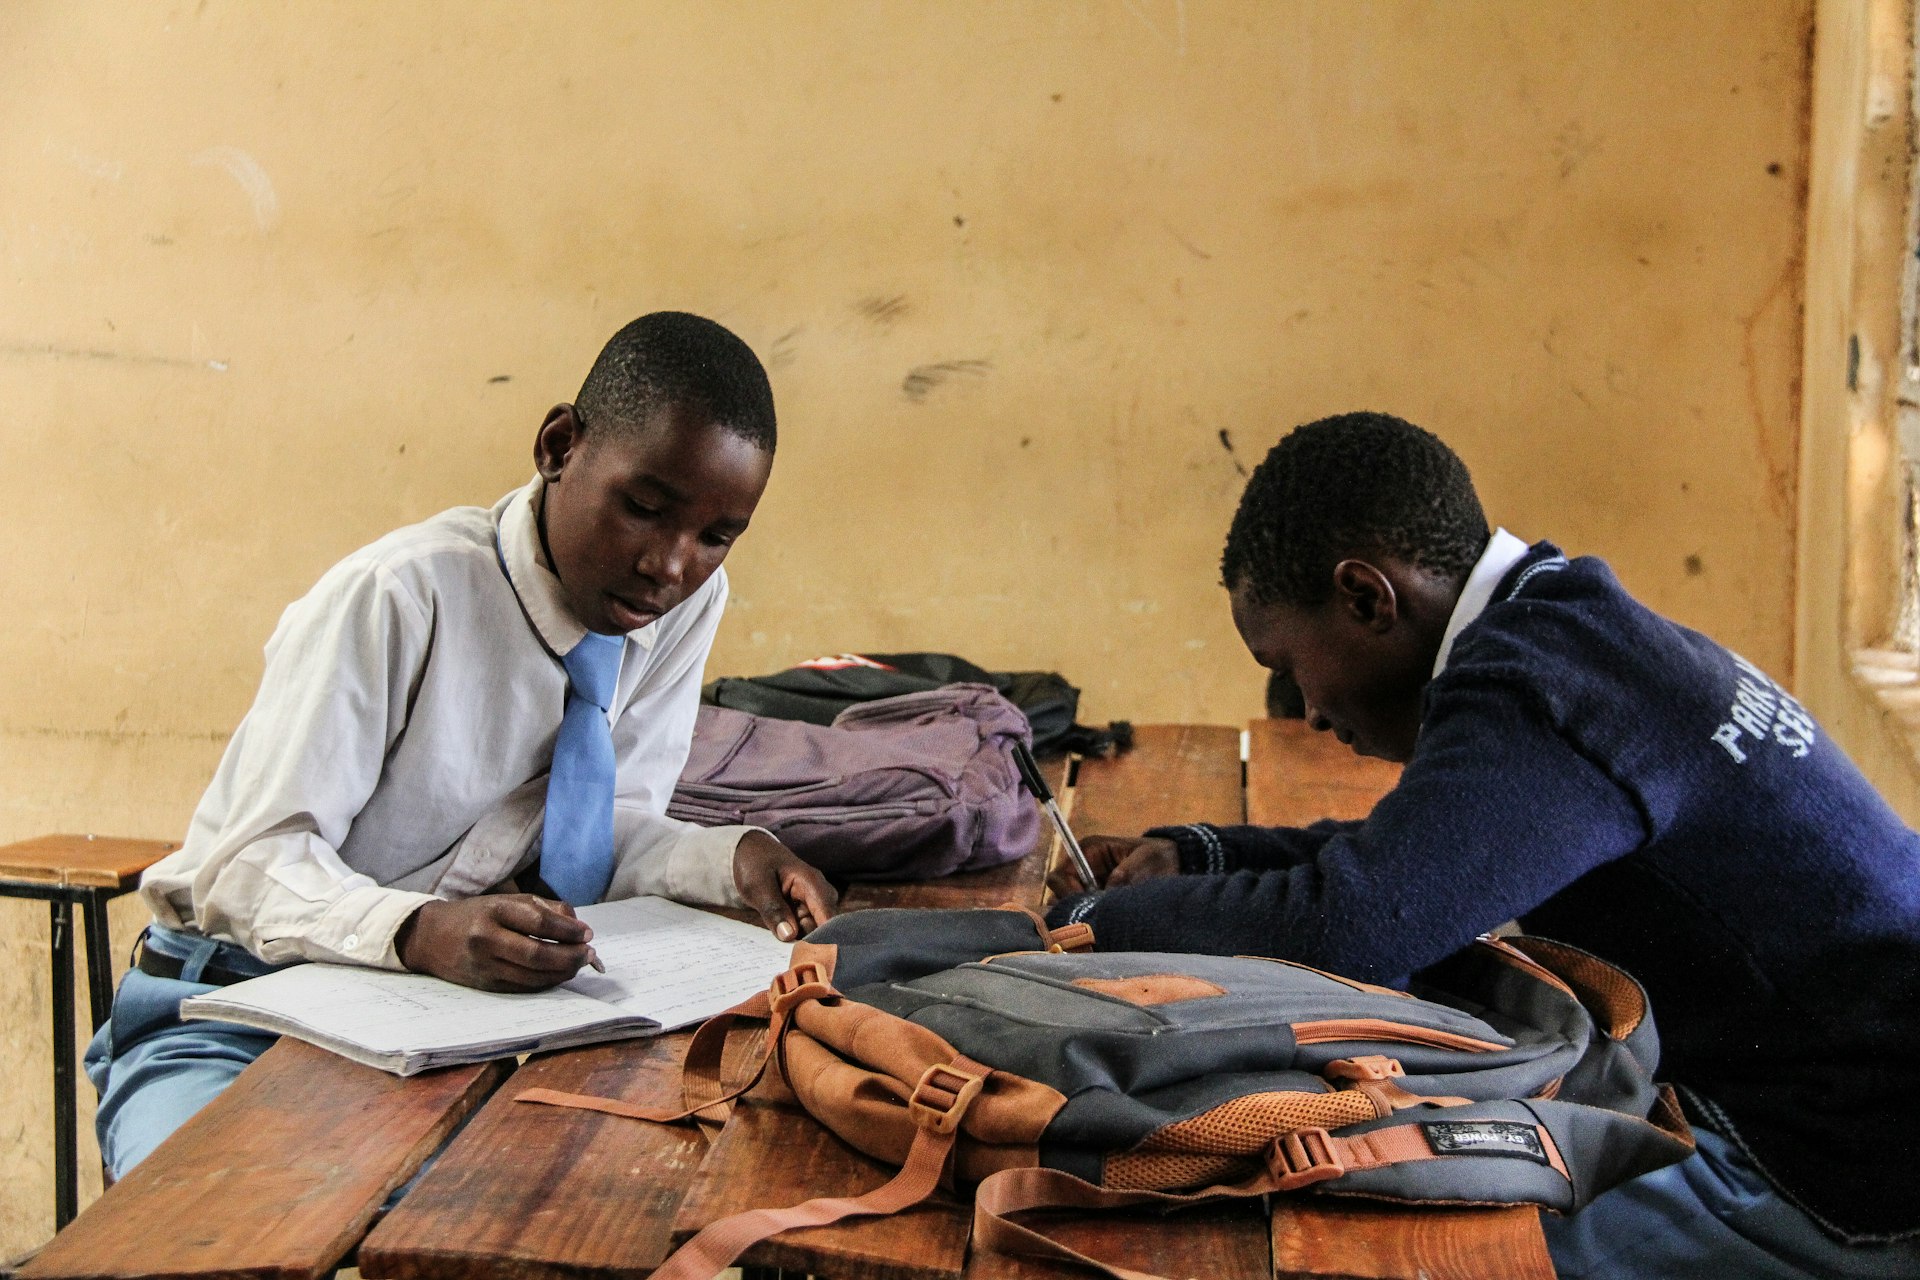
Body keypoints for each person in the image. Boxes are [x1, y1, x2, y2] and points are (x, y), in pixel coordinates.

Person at [1048, 412, 1920, 1278]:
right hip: (1847, 1097)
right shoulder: (1567, 627)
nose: (1306, 708)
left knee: (1375, 1241)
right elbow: (1422, 857)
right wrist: (1204, 854)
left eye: (1287, 663)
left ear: (1365, 597)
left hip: (1833, 1164)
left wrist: (1086, 921)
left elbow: (1352, 923)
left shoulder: (1539, 681)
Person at [87, 311, 838, 1178]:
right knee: (197, 1233)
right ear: (558, 445)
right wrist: (418, 931)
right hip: (230, 1004)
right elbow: (245, 864)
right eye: (643, 508)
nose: (669, 565)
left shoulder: (677, 608)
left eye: (715, 536)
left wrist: (728, 858)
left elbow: (596, 827)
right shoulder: (402, 597)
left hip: (422, 1019)